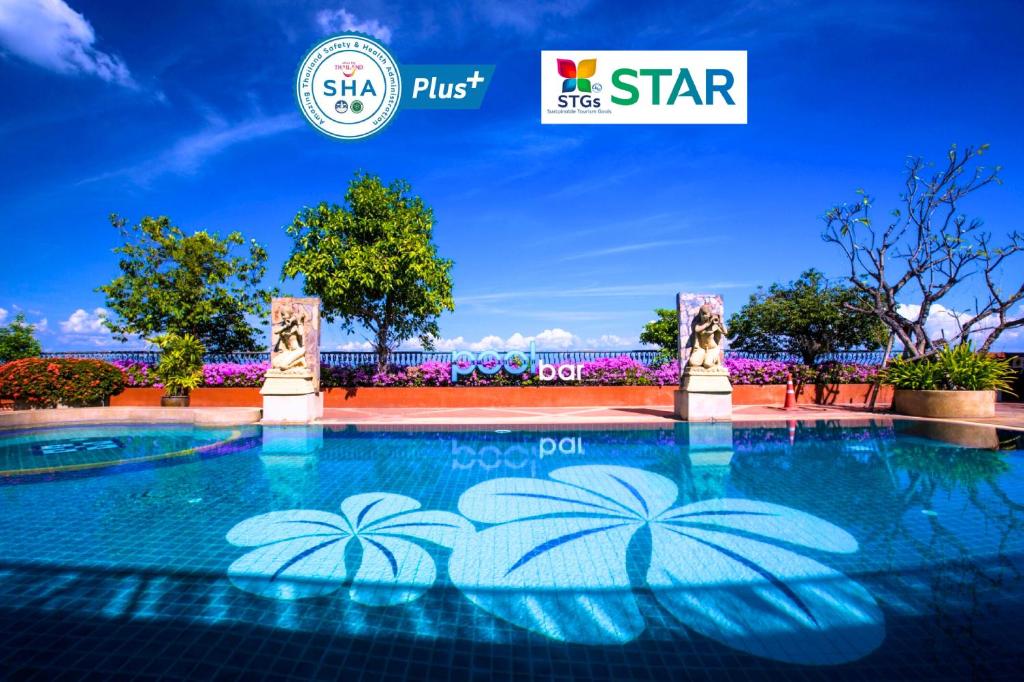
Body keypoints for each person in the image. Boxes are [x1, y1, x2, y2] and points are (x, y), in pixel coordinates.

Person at [687, 303, 727, 369]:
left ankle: (715, 360)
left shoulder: (714, 326)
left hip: (712, 349)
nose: (703, 316)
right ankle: (706, 358)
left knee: (707, 364)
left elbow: (725, 332)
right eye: (702, 314)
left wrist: (720, 323)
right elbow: (697, 330)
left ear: (709, 314)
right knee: (693, 363)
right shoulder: (699, 325)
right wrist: (708, 323)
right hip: (701, 349)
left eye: (705, 314)